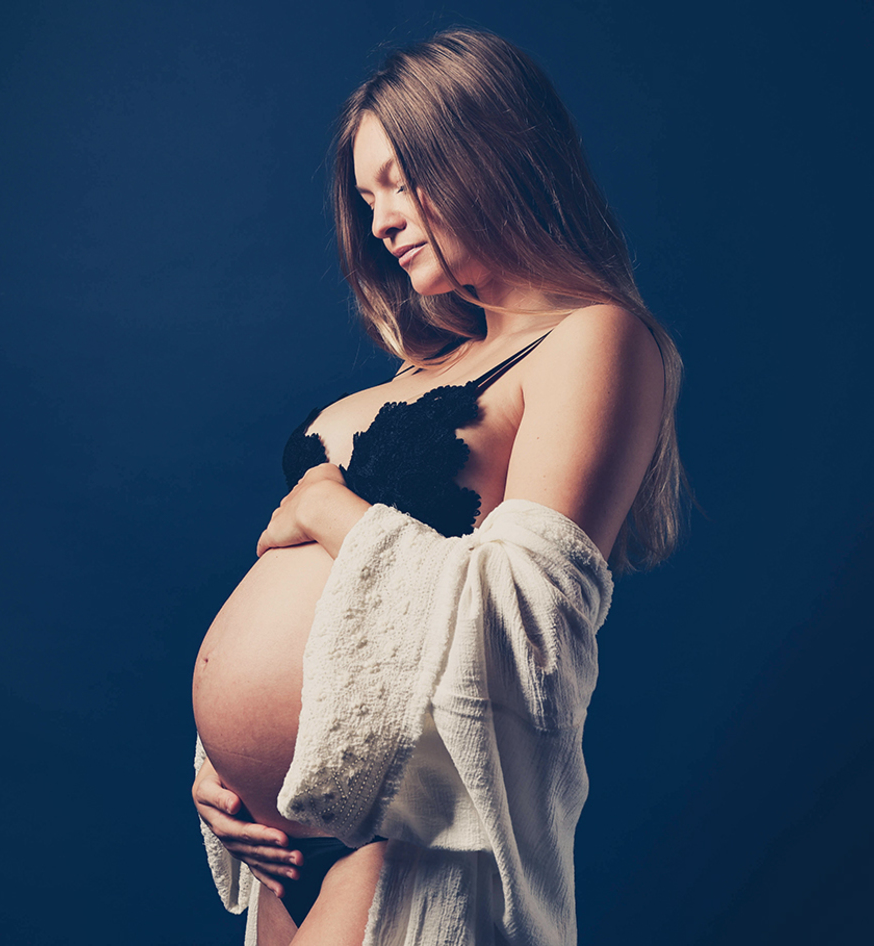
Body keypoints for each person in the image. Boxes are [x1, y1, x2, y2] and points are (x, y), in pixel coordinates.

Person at [190, 28, 685, 946]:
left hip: (412, 845)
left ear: (487, 154)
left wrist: (325, 506)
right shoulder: (426, 365)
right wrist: (222, 767)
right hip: (285, 856)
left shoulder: (592, 339)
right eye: (365, 195)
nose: (379, 219)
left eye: (399, 182)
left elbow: (524, 626)